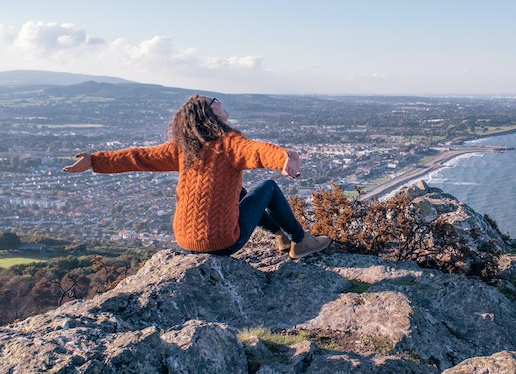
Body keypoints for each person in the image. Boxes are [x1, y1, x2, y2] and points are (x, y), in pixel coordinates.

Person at [63, 94, 331, 259]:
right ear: (209, 113)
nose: (221, 102)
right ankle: (300, 241)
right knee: (268, 187)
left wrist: (95, 160)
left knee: (237, 191)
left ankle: (278, 235)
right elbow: (256, 150)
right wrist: (282, 158)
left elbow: (138, 157)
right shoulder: (228, 143)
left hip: (187, 242)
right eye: (215, 101)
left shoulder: (183, 148)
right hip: (223, 243)